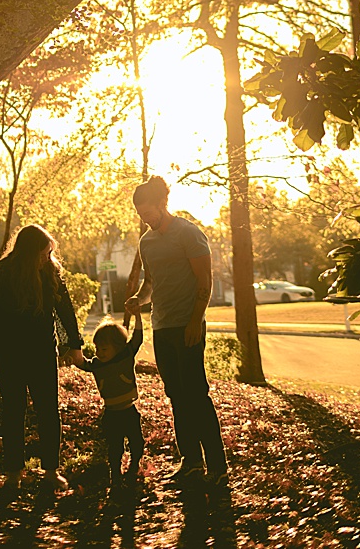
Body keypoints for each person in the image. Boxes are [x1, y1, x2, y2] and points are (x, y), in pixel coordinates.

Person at [124, 175, 228, 486]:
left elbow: (204, 281)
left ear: (162, 203)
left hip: (188, 324)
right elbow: (151, 284)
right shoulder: (147, 242)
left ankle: (218, 466)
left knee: (196, 394)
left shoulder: (188, 233)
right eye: (141, 214)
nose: (146, 218)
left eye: (149, 212)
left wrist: (196, 321)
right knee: (177, 396)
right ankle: (191, 462)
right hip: (162, 326)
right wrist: (138, 301)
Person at [0, 224, 83, 491]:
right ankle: (14, 472)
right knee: (13, 411)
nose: (48, 258)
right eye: (44, 253)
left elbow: (65, 310)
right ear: (29, 252)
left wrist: (74, 344)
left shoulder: (50, 273)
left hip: (43, 352)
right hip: (8, 354)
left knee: (48, 411)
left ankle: (50, 470)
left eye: (50, 253)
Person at [76, 311, 145, 488]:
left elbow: (137, 339)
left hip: (129, 411)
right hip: (111, 414)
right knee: (115, 448)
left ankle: (134, 466)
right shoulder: (97, 364)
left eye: (104, 349)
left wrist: (137, 316)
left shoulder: (125, 356)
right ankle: (115, 475)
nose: (99, 352)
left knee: (137, 443)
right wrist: (73, 354)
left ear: (118, 347)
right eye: (97, 348)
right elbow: (83, 363)